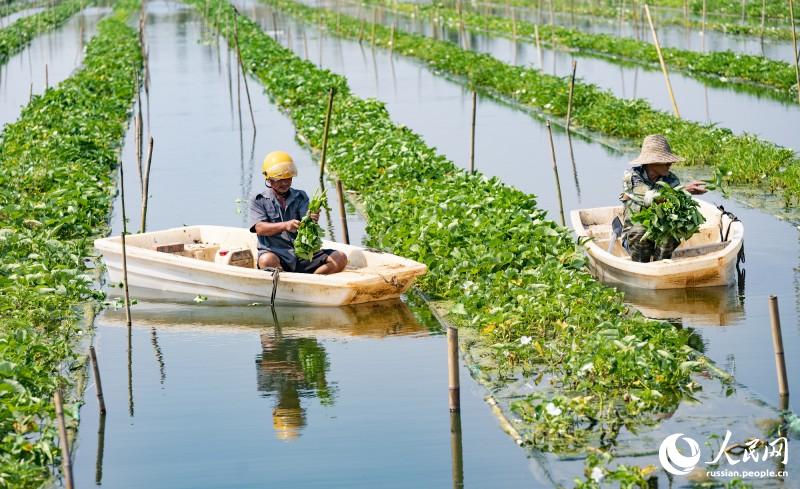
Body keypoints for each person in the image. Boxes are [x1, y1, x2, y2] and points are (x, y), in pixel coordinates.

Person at [249, 150, 347, 274]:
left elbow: (306, 222)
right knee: (266, 260)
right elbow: (260, 228)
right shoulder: (259, 200)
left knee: (340, 258)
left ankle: (312, 283)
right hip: (276, 255)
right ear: (269, 180)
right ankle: (284, 284)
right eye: (280, 179)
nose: (285, 183)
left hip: (302, 254)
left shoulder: (301, 196)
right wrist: (285, 225)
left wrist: (311, 219)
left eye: (288, 178)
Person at [620, 134, 707, 263]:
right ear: (651, 162)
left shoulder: (671, 180)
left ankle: (661, 264)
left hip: (659, 233)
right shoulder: (632, 176)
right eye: (665, 161)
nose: (670, 164)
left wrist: (684, 197)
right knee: (640, 230)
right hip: (634, 237)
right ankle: (640, 267)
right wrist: (683, 190)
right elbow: (649, 198)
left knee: (673, 230)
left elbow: (676, 206)